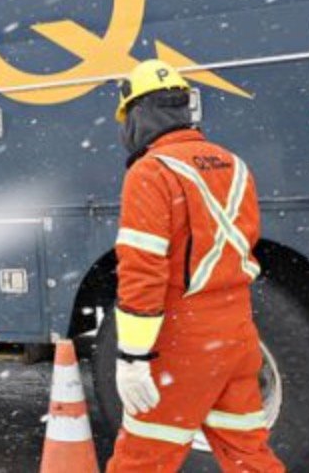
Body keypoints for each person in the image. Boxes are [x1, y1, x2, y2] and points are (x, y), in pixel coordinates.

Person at [105, 60, 284, 472]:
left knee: (141, 460)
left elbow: (143, 271)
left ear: (138, 116)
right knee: (248, 454)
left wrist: (133, 358)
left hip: (183, 343)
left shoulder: (151, 172)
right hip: (238, 335)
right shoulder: (233, 164)